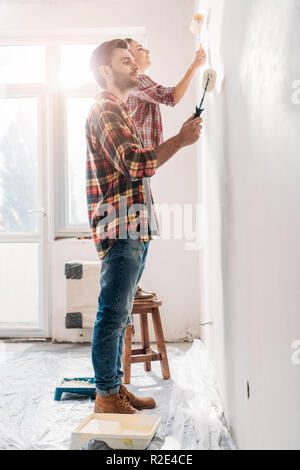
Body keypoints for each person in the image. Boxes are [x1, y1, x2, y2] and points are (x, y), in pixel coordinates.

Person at [86, 39, 202, 414]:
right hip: (120, 227)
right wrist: (181, 141)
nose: (135, 65)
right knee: (114, 312)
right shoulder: (106, 110)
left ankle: (113, 387)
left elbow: (138, 171)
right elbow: (136, 165)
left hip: (133, 225)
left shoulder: (121, 111)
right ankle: (106, 396)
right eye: (125, 61)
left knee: (120, 313)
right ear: (106, 71)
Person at [123, 38, 206, 300]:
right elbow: (172, 96)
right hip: (138, 168)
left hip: (141, 169)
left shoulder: (136, 86)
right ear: (128, 59)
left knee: (143, 232)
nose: (147, 50)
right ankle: (129, 291)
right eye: (139, 49)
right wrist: (194, 65)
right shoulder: (138, 80)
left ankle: (131, 289)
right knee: (140, 234)